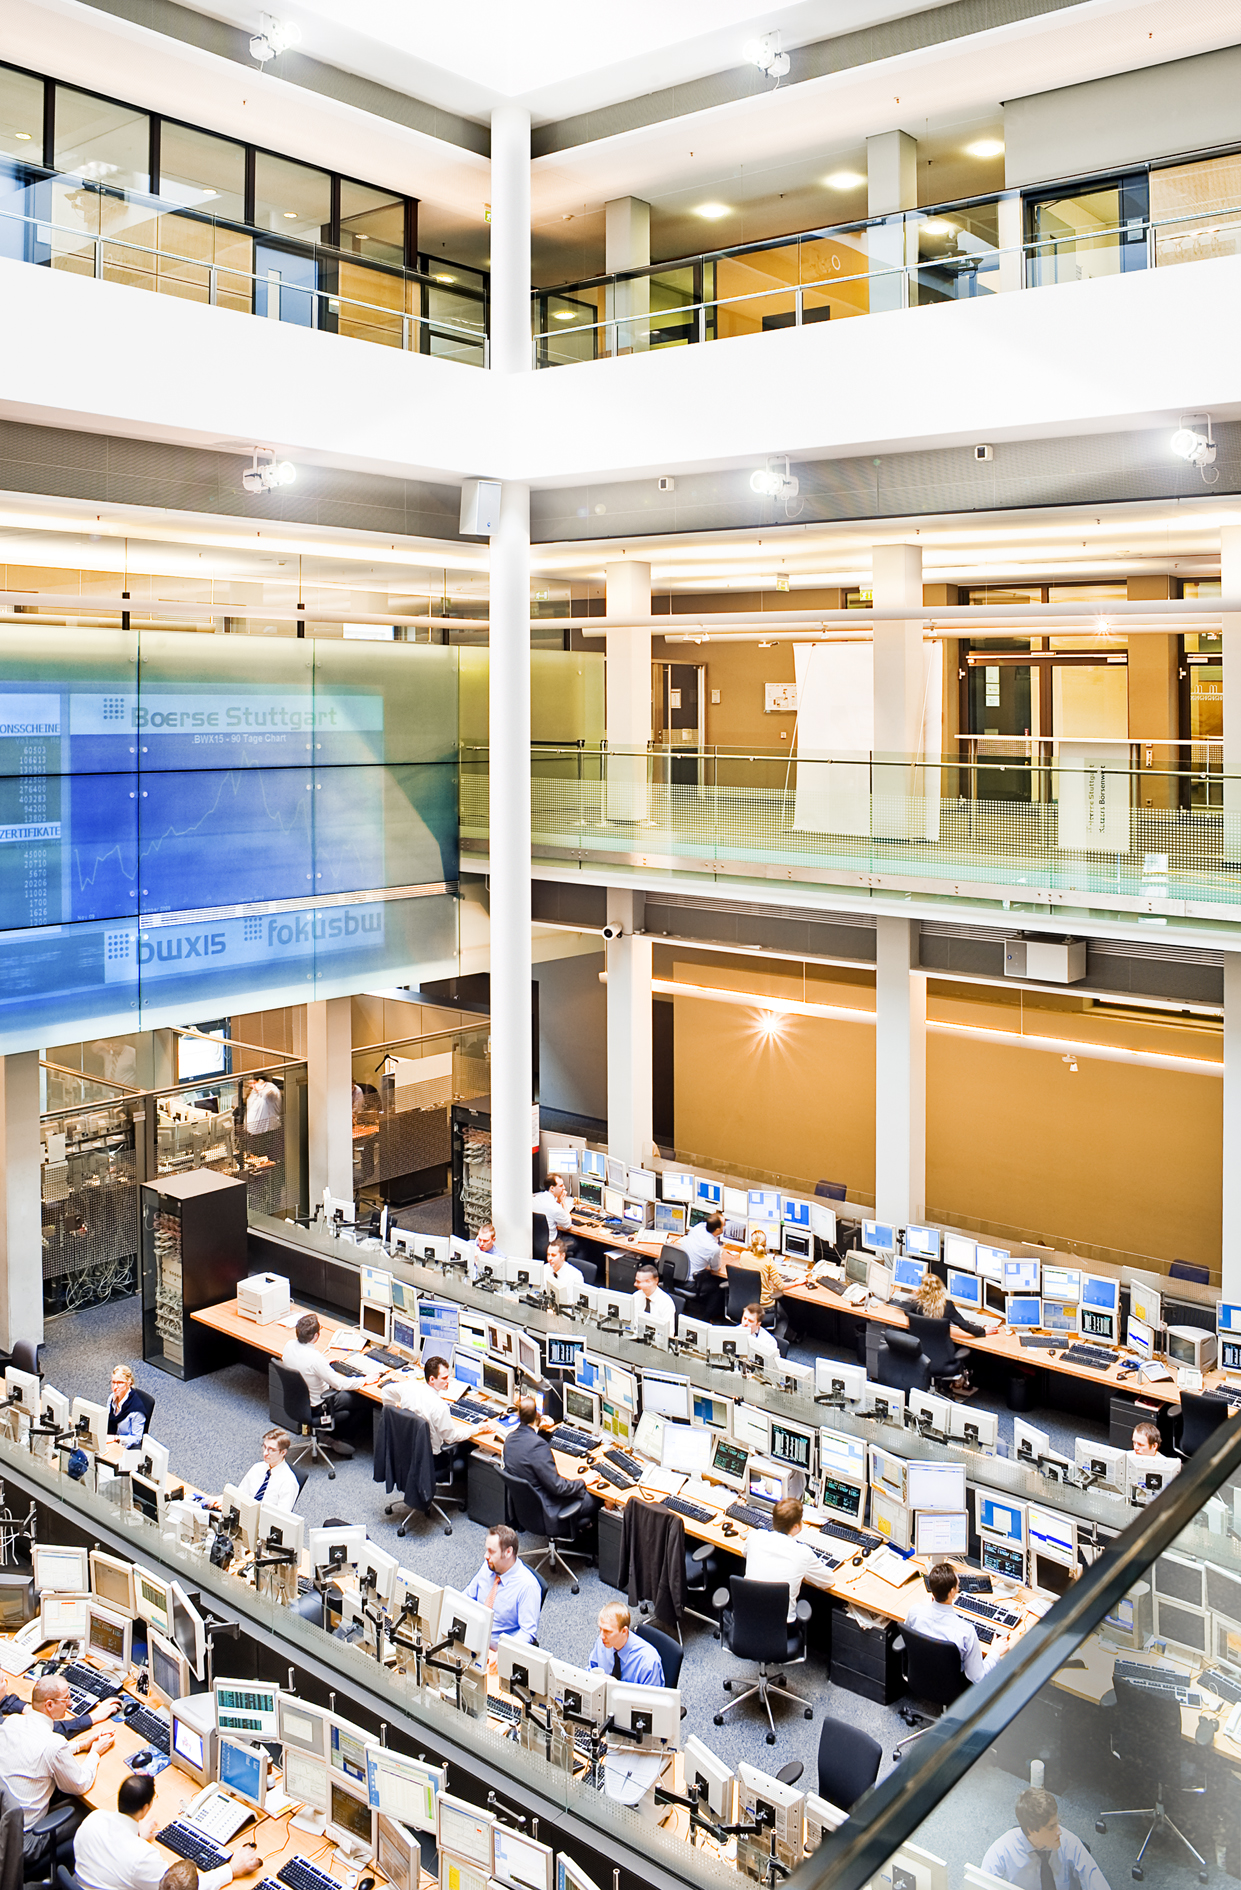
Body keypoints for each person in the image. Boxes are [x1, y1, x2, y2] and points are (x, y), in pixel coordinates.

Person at [0, 1673, 115, 1865]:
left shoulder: (12, 1722)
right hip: (23, 1841)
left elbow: (37, 1747)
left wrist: (80, 1745)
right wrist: (95, 1752)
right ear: (50, 1705)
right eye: (66, 1699)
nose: (70, 1704)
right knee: (91, 1813)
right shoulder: (53, 1745)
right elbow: (81, 1783)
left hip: (5, 1825)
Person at [75, 1775, 261, 1890]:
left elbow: (114, 1851)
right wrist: (232, 1869)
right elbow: (183, 1888)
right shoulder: (141, 1857)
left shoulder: (93, 1819)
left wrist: (137, 1836)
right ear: (146, 1807)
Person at [980, 1788, 1112, 1890]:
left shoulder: (1070, 1843)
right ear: (1032, 1830)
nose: (1059, 1831)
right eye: (1051, 1827)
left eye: (1057, 1823)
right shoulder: (1002, 1849)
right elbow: (980, 1884)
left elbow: (1098, 1884)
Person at [904, 1561, 1008, 1682]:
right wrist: (995, 1652)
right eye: (958, 1583)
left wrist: (925, 1609)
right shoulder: (966, 1631)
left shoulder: (915, 1612)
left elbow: (910, 1638)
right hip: (950, 1688)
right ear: (952, 1592)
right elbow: (978, 1678)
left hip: (919, 1678)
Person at [503, 1395, 599, 1526]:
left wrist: (541, 1428)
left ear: (519, 1415)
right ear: (537, 1415)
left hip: (528, 1508)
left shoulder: (510, 1438)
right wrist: (584, 1481)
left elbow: (528, 1446)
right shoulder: (538, 1446)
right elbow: (558, 1487)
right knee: (596, 1498)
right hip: (548, 1509)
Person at [280, 1312, 361, 1448]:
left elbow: (304, 1363)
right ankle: (343, 1438)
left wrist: (324, 1364)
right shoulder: (315, 1359)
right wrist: (365, 1380)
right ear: (316, 1336)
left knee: (347, 1411)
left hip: (297, 1402)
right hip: (319, 1405)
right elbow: (339, 1384)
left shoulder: (289, 1346)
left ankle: (331, 1436)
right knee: (362, 1400)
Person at [386, 1354, 485, 1455]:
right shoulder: (440, 1407)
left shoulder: (409, 1386)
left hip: (407, 1447)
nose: (448, 1381)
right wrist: (477, 1428)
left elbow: (386, 1391)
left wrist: (394, 1416)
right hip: (432, 1458)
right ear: (432, 1379)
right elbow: (451, 1438)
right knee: (468, 1446)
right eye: (444, 1378)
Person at [743, 1497, 823, 1622]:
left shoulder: (755, 1536)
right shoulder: (803, 1553)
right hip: (784, 1631)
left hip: (747, 1621)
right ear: (796, 1526)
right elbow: (827, 1581)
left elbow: (745, 1553)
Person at [464, 1525, 543, 1648]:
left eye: (491, 1551)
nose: (485, 1556)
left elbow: (528, 1633)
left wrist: (503, 1651)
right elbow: (467, 1596)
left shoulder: (528, 1586)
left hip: (497, 1650)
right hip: (473, 1637)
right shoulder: (488, 1566)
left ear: (508, 1552)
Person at [587, 1602, 664, 1684]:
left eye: (607, 1631)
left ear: (624, 1631)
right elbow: (591, 1669)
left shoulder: (648, 1662)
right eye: (600, 1629)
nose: (601, 1635)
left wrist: (616, 1687)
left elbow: (651, 1696)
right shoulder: (602, 1641)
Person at [680, 1213, 728, 1321]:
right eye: (723, 1225)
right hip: (690, 1282)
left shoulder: (698, 1228)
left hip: (678, 1274)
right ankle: (707, 1318)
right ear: (717, 1230)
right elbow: (715, 1268)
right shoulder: (713, 1248)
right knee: (718, 1287)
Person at [235, 1428, 300, 1508]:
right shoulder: (257, 1467)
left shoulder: (288, 1482)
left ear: (283, 1452)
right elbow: (240, 1494)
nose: (265, 1453)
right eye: (264, 1447)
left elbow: (281, 1517)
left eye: (271, 1450)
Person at [630, 1262, 677, 1332]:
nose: (635, 1284)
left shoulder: (666, 1303)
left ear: (653, 1281)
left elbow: (669, 1333)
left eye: (638, 1282)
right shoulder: (636, 1296)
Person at [105, 1364, 147, 1439]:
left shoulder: (136, 1411)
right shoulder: (111, 1398)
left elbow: (136, 1438)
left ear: (129, 1383)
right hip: (109, 1439)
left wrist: (115, 1439)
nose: (115, 1387)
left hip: (124, 1445)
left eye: (120, 1383)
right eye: (113, 1382)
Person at [533, 1175, 573, 1242]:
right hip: (551, 1243)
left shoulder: (536, 1199)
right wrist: (563, 1202)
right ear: (552, 1188)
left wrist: (558, 1201)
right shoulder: (555, 1208)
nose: (564, 1188)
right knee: (575, 1242)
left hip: (535, 1242)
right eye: (561, 1186)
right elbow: (568, 1225)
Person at [739, 1302, 781, 1366]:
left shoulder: (769, 1342)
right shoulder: (734, 1331)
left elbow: (773, 1366)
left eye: (750, 1321)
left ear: (758, 1324)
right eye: (744, 1318)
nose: (745, 1323)